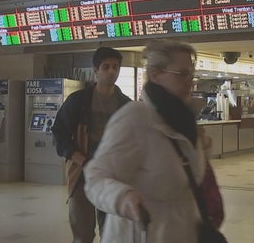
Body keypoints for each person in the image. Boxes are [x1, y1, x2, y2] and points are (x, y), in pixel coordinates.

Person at [84, 40, 212, 242]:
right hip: (141, 234)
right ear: (155, 74)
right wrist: (122, 197)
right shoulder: (135, 117)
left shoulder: (184, 122)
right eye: (182, 74)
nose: (190, 80)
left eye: (191, 73)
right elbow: (95, 177)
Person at [52, 47, 132, 243]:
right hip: (83, 176)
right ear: (95, 70)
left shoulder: (126, 105)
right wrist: (82, 160)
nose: (112, 71)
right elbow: (59, 135)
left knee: (113, 233)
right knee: (83, 232)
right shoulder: (78, 101)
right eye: (106, 67)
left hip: (113, 176)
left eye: (115, 67)